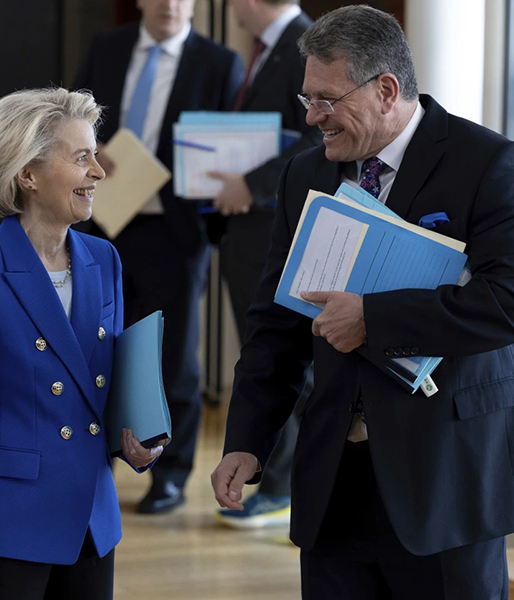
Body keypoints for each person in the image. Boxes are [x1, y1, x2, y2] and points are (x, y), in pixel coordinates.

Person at [211, 6, 514, 598]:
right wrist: (247, 439)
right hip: (334, 486)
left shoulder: (489, 164)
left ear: (386, 89)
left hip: (446, 484)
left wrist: (374, 318)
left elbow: (511, 305)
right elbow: (276, 326)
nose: (313, 117)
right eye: (307, 98)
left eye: (327, 100)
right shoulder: (303, 175)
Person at [0, 88, 160, 600]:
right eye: (81, 158)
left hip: (91, 521)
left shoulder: (104, 260)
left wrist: (134, 442)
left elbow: (99, 388)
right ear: (28, 174)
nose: (99, 171)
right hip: (4, 528)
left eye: (95, 155)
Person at [73, 0, 244, 514]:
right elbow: (74, 120)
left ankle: (170, 472)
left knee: (173, 358)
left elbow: (225, 147)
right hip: (104, 222)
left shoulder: (218, 62)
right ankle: (92, 457)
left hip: (175, 231)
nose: (170, 4)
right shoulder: (108, 46)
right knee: (93, 341)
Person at [209, 0, 321, 530]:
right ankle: (278, 481)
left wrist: (251, 186)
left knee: (282, 356)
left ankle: (280, 487)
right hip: (247, 228)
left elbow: (316, 137)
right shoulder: (264, 51)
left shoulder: (304, 46)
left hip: (275, 222)